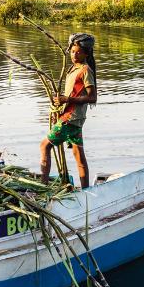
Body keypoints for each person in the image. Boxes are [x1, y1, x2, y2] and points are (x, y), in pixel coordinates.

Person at [40, 33, 97, 189]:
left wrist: (67, 100)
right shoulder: (73, 68)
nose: (74, 54)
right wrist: (60, 107)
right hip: (72, 118)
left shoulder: (85, 70)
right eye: (72, 51)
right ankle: (85, 190)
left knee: (44, 146)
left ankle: (43, 187)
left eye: (78, 52)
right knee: (78, 155)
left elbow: (92, 98)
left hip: (71, 119)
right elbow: (71, 93)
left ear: (86, 53)